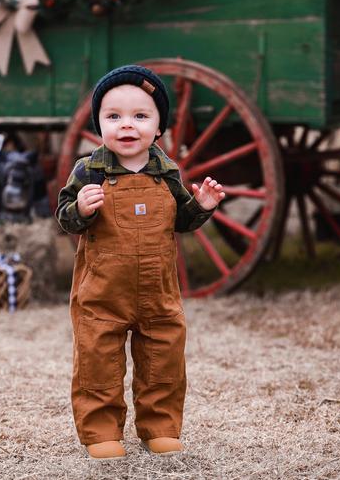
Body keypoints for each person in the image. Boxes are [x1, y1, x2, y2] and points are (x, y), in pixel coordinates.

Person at [56, 65, 226, 460]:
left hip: (158, 289)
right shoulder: (89, 170)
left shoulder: (166, 172)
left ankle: (161, 427)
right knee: (98, 359)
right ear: (99, 123)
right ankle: (101, 432)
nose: (126, 126)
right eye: (113, 117)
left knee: (163, 357)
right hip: (103, 289)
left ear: (158, 127)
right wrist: (80, 207)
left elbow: (180, 219)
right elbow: (64, 215)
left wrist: (201, 206)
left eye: (140, 116)